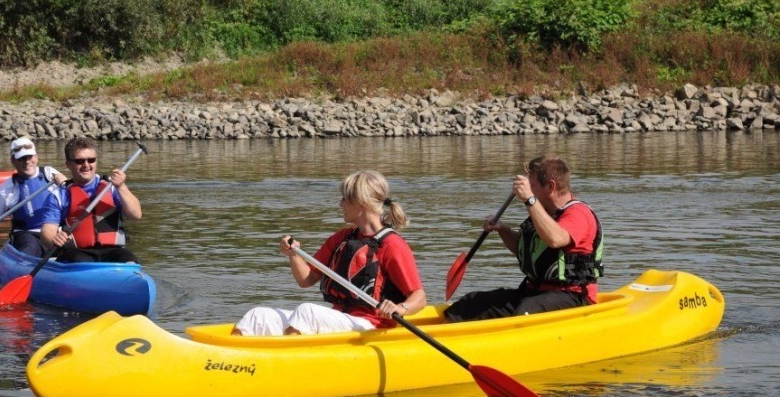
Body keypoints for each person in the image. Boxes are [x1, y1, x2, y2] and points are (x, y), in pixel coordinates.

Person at [234, 170, 426, 336]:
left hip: (371, 326)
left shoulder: (392, 245)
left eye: (344, 199)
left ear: (361, 204)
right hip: (343, 319)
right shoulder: (342, 239)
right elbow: (306, 280)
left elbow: (419, 298)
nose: (340, 204)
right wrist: (294, 255)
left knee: (307, 312)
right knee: (257, 316)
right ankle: (229, 363)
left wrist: (400, 308)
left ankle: (287, 362)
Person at [445, 155, 603, 322]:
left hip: (572, 296)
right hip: (533, 292)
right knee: (470, 303)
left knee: (525, 312)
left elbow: (556, 239)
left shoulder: (578, 214)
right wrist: (503, 229)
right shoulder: (543, 212)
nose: (528, 191)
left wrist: (530, 200)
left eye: (532, 186)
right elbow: (523, 249)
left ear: (551, 186)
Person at [39, 137, 142, 263]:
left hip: (113, 251)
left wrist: (121, 187)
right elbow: (47, 231)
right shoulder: (59, 195)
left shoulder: (113, 187)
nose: (86, 165)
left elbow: (136, 215)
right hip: (77, 252)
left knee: (130, 261)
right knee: (78, 261)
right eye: (79, 161)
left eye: (91, 160)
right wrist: (54, 238)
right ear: (68, 164)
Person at [0, 137, 66, 256]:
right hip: (27, 234)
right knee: (29, 247)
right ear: (13, 161)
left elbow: (73, 191)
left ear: (36, 157)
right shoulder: (6, 188)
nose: (27, 161)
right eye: (21, 158)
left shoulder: (50, 174)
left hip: (57, 232)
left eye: (30, 157)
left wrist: (65, 183)